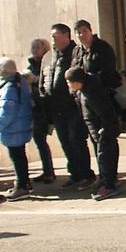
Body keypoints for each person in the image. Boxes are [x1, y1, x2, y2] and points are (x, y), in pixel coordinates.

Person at [72, 19, 123, 201]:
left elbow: (108, 73)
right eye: (78, 33)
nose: (81, 35)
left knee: (106, 139)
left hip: (103, 98)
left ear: (90, 31)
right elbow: (74, 72)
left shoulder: (103, 48)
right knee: (97, 141)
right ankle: (104, 175)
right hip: (86, 102)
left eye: (84, 31)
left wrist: (89, 81)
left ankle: (110, 178)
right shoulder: (78, 51)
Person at [41, 23, 92, 190]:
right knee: (65, 141)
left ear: (66, 35)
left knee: (76, 139)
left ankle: (85, 174)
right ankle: (75, 174)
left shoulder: (75, 53)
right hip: (56, 108)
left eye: (55, 36)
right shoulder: (50, 56)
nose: (53, 39)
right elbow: (44, 76)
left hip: (72, 107)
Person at [0, 56, 36, 199]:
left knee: (16, 158)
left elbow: (7, 113)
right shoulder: (20, 82)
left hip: (13, 128)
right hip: (20, 126)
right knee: (20, 156)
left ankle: (21, 186)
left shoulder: (9, 88)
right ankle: (24, 183)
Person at [24, 38, 57, 184]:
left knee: (41, 139)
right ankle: (47, 170)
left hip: (46, 106)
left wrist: (35, 80)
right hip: (34, 106)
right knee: (39, 140)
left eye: (38, 47)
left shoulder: (49, 62)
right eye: (33, 47)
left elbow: (50, 82)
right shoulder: (30, 64)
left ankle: (49, 172)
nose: (34, 50)